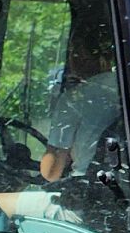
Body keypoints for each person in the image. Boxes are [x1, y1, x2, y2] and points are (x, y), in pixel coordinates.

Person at [40, 11, 122, 183]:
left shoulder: (74, 98)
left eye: (72, 52)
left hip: (88, 193)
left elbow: (51, 172)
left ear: (79, 55)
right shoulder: (129, 88)